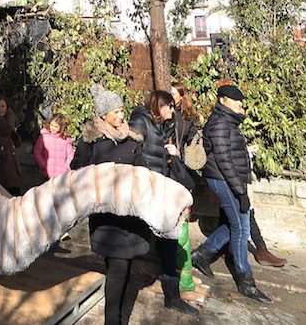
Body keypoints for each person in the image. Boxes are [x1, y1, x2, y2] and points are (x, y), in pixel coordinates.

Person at [70, 84, 148, 325]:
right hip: (107, 217)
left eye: (122, 110)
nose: (122, 115)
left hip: (131, 215)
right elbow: (77, 171)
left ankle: (119, 318)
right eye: (116, 112)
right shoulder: (91, 142)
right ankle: (113, 321)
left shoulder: (132, 139)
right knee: (118, 267)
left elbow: (143, 170)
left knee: (125, 268)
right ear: (104, 114)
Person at [191, 84, 273, 304]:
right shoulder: (219, 123)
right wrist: (240, 191)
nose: (240, 104)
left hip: (230, 180)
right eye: (236, 100)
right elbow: (224, 161)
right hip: (223, 180)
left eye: (241, 101)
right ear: (223, 100)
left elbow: (231, 155)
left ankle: (201, 255)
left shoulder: (228, 121)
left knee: (235, 224)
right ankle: (245, 281)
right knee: (240, 228)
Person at [127, 91, 199, 315]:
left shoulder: (164, 126)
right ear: (159, 107)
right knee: (134, 239)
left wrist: (174, 154)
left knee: (169, 239)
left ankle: (172, 295)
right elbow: (130, 150)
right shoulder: (141, 122)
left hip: (161, 190)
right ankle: (122, 284)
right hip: (144, 192)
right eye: (169, 106)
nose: (172, 110)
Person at [169, 83, 209, 302]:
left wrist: (180, 154)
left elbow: (193, 149)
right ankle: (177, 270)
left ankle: (183, 273)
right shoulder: (165, 116)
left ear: (181, 97)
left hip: (183, 174)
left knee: (182, 222)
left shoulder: (188, 118)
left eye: (174, 94)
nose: (170, 97)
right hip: (169, 173)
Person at [33, 114, 74, 180]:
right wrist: (43, 165)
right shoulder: (44, 137)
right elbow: (37, 152)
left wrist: (67, 167)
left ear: (61, 127)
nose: (53, 128)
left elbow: (70, 155)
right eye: (52, 125)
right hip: (47, 173)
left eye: (56, 126)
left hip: (62, 175)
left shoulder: (65, 139)